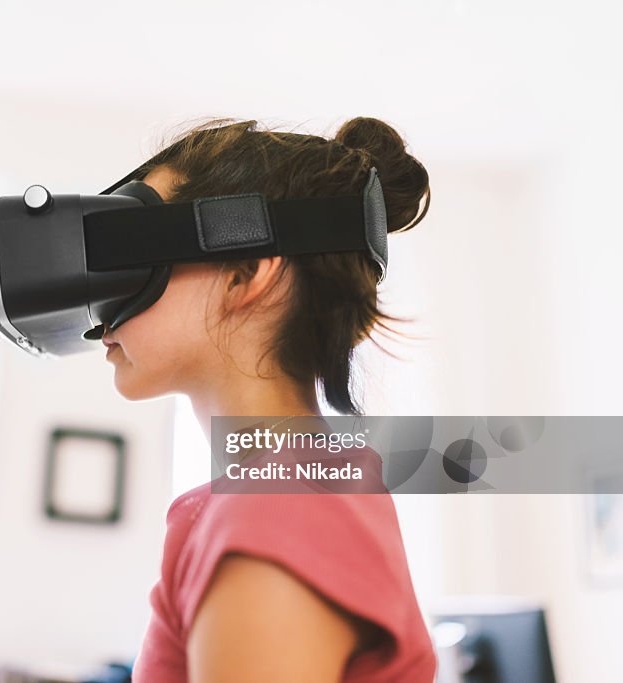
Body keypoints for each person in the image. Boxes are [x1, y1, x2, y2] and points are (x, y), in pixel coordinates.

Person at [100, 117, 437, 682]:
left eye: (131, 252)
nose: (102, 297)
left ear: (245, 272)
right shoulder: (286, 491)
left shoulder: (282, 503)